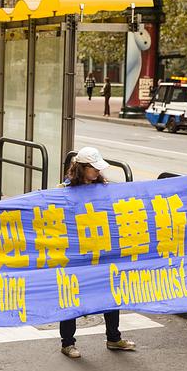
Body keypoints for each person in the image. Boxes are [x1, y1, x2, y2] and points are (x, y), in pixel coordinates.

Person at [58, 147, 136, 359]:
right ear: (82, 168)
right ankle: (67, 343)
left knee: (110, 293)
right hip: (76, 254)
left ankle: (114, 338)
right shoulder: (64, 191)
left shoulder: (104, 189)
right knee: (72, 296)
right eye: (93, 168)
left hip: (101, 251)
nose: (97, 172)